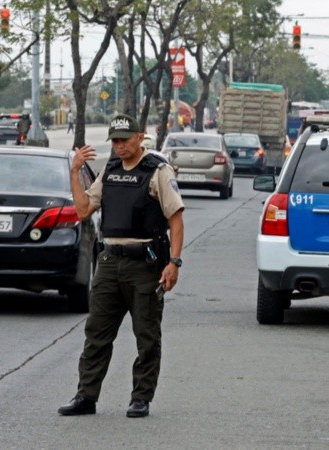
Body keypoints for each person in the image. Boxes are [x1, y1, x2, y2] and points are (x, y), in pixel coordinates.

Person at [57, 114, 185, 419]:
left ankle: (141, 397)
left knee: (147, 335)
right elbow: (83, 210)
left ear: (139, 138)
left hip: (145, 265)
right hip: (110, 262)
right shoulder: (111, 170)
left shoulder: (158, 172)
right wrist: (75, 173)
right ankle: (86, 396)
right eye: (114, 140)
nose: (119, 146)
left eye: (124, 140)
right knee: (96, 334)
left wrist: (174, 263)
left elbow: (176, 219)